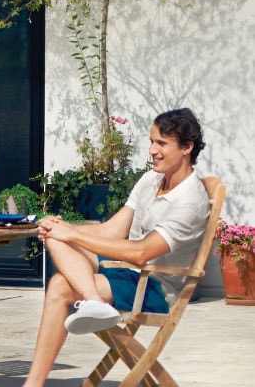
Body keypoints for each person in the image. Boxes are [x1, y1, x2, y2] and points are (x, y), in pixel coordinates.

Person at [24, 108, 210, 387]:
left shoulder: (190, 201)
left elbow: (141, 252)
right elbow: (110, 231)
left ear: (186, 147)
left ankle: (91, 307)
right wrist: (63, 229)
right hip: (126, 275)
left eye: (161, 143)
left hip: (155, 286)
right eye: (151, 142)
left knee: (61, 285)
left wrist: (73, 235)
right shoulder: (151, 181)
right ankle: (93, 303)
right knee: (55, 236)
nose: (152, 151)